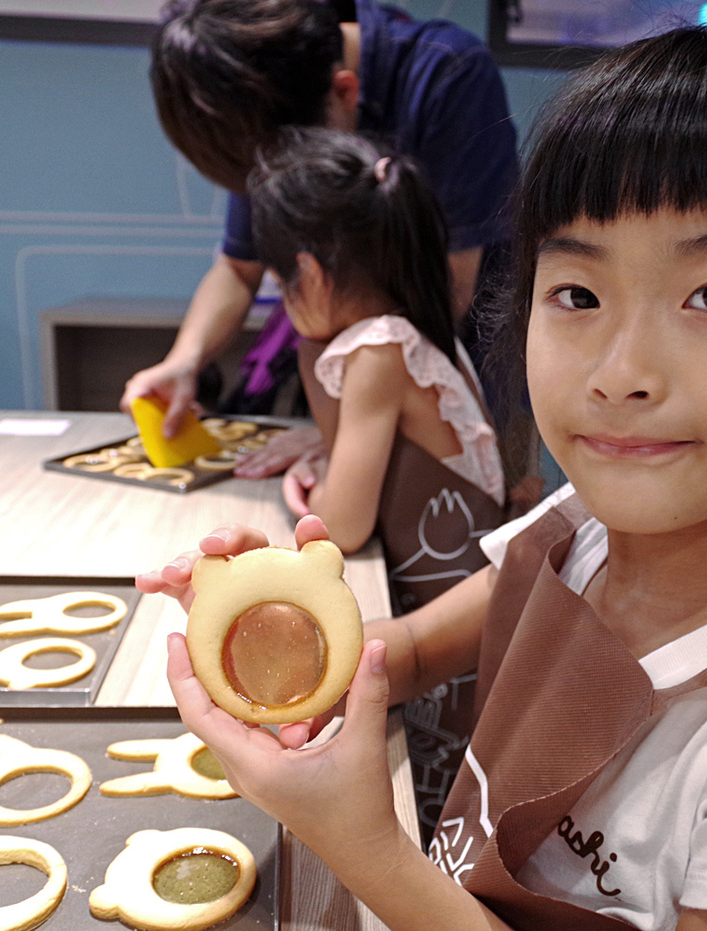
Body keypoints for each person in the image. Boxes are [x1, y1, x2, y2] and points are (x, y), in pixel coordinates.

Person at [139, 14, 707, 931]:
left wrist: (368, 850)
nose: (619, 371)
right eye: (577, 293)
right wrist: (278, 644)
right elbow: (411, 652)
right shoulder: (574, 531)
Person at [120, 0, 519, 462]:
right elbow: (239, 268)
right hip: (356, 395)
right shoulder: (265, 112)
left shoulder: (448, 74)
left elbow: (448, 289)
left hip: (464, 376)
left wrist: (350, 432)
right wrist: (184, 361)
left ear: (345, 91)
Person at [249, 126, 506, 839]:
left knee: (426, 803)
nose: (278, 296)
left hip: (446, 640)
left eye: (279, 280)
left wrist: (308, 371)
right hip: (448, 614)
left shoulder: (377, 350)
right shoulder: (414, 332)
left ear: (313, 271)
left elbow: (344, 525)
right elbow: (351, 458)